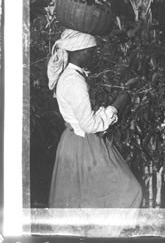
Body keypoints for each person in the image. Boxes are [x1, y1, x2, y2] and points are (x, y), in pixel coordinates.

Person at [47, 29, 142, 208]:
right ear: (79, 52)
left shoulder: (71, 75)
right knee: (130, 190)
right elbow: (89, 124)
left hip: (74, 141)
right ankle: (107, 233)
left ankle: (93, 234)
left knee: (83, 200)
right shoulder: (75, 82)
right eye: (90, 52)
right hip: (84, 144)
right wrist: (117, 104)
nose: (93, 55)